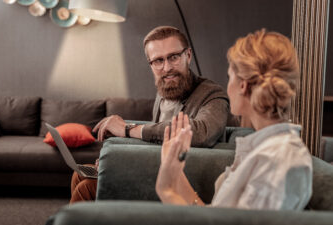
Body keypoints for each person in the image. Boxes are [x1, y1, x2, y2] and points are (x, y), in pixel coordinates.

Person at [70, 26, 236, 203]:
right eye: (158, 61)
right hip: (151, 166)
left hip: (180, 180)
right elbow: (155, 139)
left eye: (173, 57)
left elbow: (203, 132)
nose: (167, 68)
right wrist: (115, 158)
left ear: (188, 55)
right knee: (80, 174)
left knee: (87, 187)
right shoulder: (164, 92)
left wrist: (127, 129)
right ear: (150, 64)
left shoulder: (212, 94)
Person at [156, 29, 313, 210]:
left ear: (243, 86)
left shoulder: (278, 159)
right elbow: (215, 215)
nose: (226, 86)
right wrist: (175, 172)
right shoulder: (264, 147)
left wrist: (166, 190)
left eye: (229, 77)